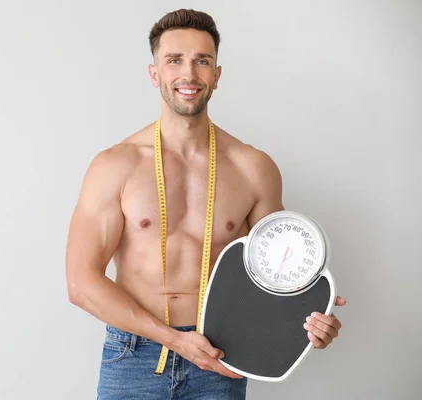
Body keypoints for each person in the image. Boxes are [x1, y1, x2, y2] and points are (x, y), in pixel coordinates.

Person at [65, 8, 346, 400]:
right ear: (154, 73)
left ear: (217, 74)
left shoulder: (254, 168)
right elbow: (81, 283)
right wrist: (173, 340)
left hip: (220, 355)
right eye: (174, 60)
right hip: (133, 356)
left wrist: (312, 319)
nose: (189, 74)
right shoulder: (116, 165)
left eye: (202, 61)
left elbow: (278, 281)